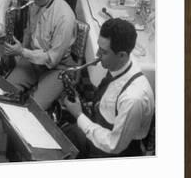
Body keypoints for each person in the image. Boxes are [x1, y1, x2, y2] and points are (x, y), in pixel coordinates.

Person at [61, 18, 155, 157]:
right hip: (102, 127)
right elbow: (110, 95)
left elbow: (113, 145)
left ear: (122, 55)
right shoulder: (119, 64)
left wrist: (79, 115)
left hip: (116, 152)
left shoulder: (133, 98)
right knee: (65, 133)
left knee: (65, 141)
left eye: (104, 52)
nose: (97, 55)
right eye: (99, 47)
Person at [5, 0, 77, 110]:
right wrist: (21, 52)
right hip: (32, 59)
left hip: (57, 67)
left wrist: (22, 52)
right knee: (6, 92)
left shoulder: (65, 17)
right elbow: (28, 31)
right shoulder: (35, 3)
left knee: (34, 108)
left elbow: (52, 59)